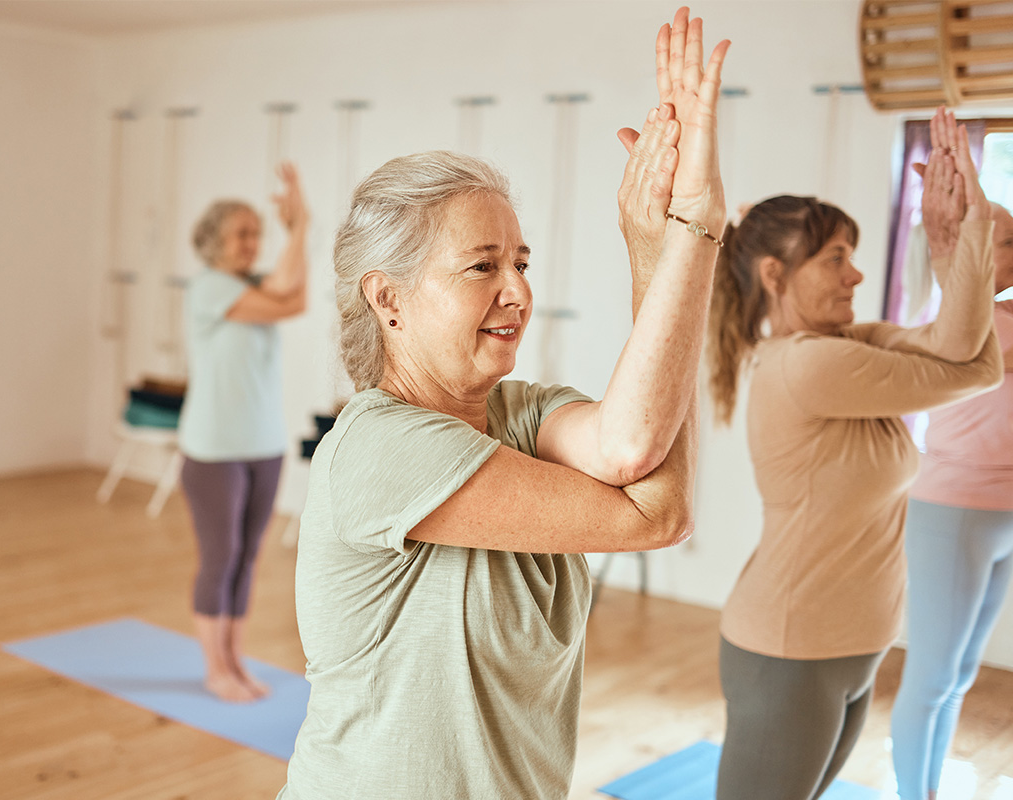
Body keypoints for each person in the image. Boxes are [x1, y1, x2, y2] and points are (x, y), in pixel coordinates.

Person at [278, 9, 729, 798]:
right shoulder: (381, 447)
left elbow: (635, 438)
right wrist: (694, 234)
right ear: (387, 300)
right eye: (481, 266)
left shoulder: (522, 413)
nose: (518, 291)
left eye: (520, 262)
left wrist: (657, 244)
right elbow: (652, 504)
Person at [706, 108, 1003, 800]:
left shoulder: (849, 346)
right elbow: (974, 369)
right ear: (776, 274)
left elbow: (962, 348)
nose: (856, 274)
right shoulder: (806, 367)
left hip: (851, 644)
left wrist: (947, 239)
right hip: (789, 646)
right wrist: (974, 231)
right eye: (835, 258)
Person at [889, 202, 1013, 800]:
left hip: (1003, 514)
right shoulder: (969, 327)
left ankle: (929, 791)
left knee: (960, 675)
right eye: (1008, 240)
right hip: (954, 513)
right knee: (934, 675)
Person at [178, 162, 308, 703]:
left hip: (264, 446)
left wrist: (299, 226)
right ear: (214, 243)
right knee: (221, 554)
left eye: (258, 233)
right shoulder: (209, 288)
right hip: (214, 451)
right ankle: (215, 669)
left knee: (249, 555)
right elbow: (288, 299)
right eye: (242, 234)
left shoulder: (252, 286)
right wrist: (297, 231)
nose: (253, 243)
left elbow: (292, 297)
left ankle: (235, 660)